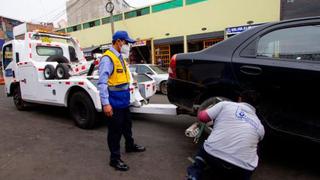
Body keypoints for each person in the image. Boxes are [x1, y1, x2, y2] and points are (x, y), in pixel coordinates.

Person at [186, 90, 265, 180]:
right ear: (258, 107)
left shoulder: (226, 105)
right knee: (256, 148)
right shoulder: (260, 127)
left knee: (205, 150)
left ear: (240, 99)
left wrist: (209, 111)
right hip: (242, 168)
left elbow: (202, 117)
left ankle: (194, 175)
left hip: (213, 155)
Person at [98, 31, 146, 171]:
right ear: (118, 41)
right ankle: (114, 159)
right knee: (115, 132)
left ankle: (129, 146)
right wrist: (106, 104)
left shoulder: (121, 58)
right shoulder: (108, 59)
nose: (128, 46)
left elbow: (124, 78)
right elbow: (102, 83)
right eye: (127, 43)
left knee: (127, 126)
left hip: (124, 100)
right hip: (114, 102)